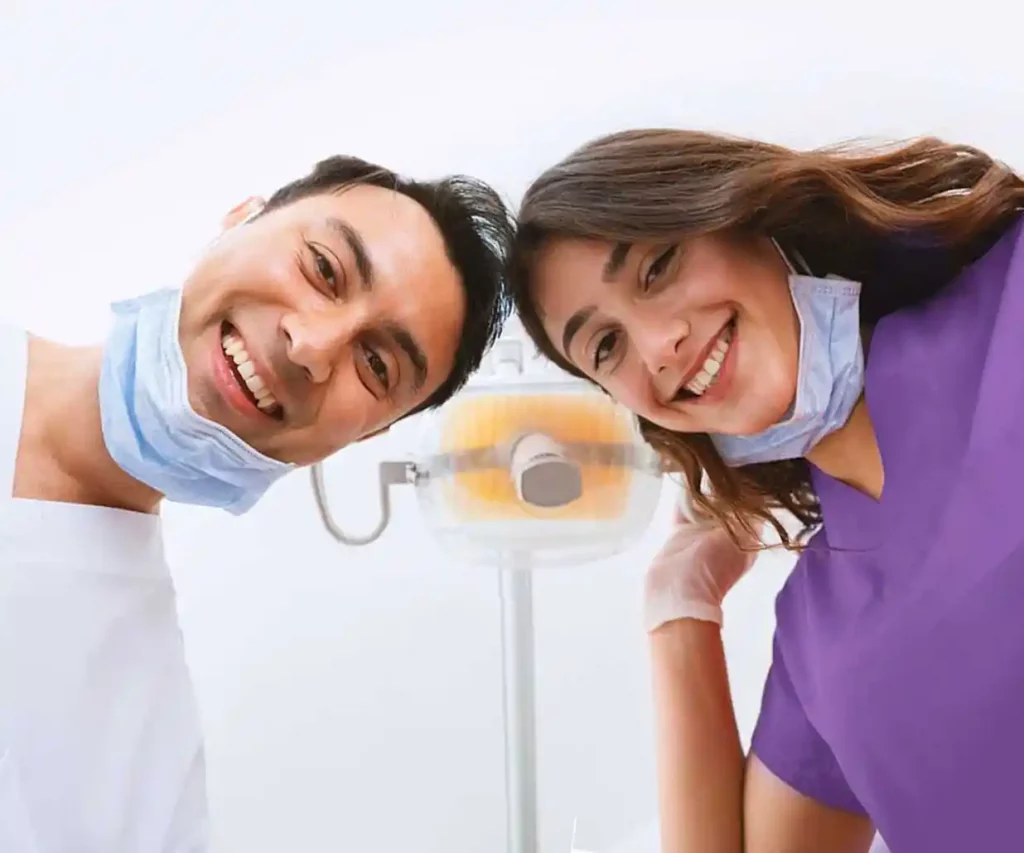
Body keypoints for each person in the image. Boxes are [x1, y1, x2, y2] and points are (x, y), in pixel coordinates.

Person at [508, 128, 1024, 853]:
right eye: (606, 347)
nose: (658, 348)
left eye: (657, 267)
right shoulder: (819, 642)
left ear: (745, 214)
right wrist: (678, 605)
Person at [0, 155, 514, 852]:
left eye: (376, 365)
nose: (311, 345)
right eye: (324, 269)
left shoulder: (146, 758)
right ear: (240, 219)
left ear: (366, 436)